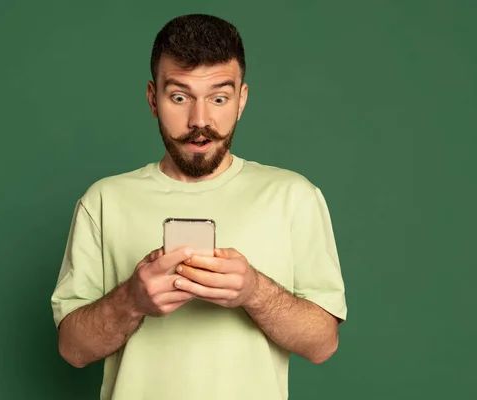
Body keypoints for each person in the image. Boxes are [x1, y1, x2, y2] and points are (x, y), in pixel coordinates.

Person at [51, 13, 347, 400]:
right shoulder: (103, 200)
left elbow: (322, 344)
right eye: (179, 97)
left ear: (241, 99)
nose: (200, 120)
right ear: (152, 98)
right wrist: (133, 300)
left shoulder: (293, 196)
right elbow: (72, 350)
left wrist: (253, 291)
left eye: (219, 98)